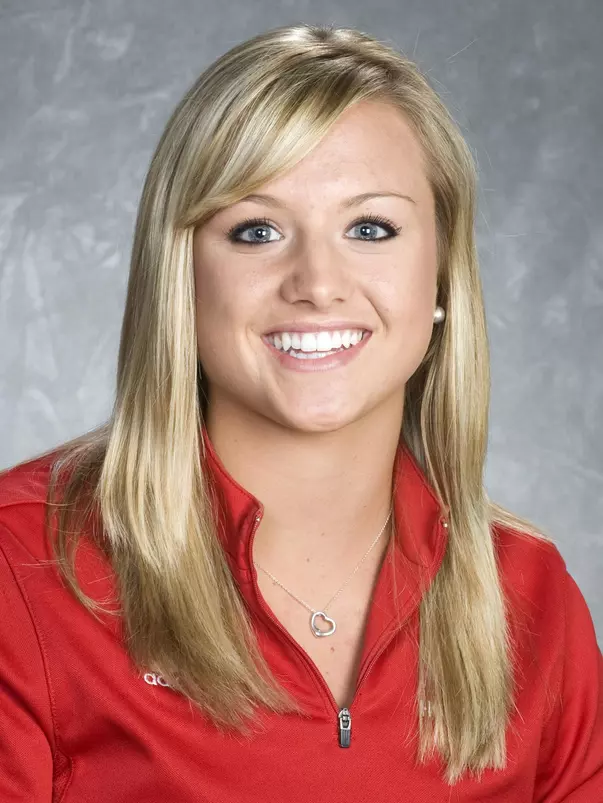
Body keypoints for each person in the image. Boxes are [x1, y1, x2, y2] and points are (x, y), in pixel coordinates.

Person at [0, 21, 601, 802]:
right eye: (256, 230)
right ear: (180, 275)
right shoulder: (21, 572)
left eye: (369, 228)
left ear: (443, 277)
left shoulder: (529, 595)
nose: (317, 280)